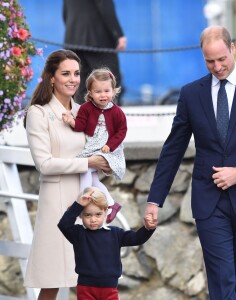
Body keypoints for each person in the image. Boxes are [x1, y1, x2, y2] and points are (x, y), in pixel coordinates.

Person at [143, 25, 236, 300]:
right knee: (222, 283)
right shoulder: (191, 94)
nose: (217, 66)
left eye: (222, 58)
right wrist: (154, 200)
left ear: (232, 48)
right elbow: (173, 149)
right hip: (209, 202)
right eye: (209, 61)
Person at [23, 49, 115, 300]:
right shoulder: (38, 113)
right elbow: (44, 164)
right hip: (57, 204)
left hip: (86, 202)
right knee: (52, 279)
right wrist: (87, 163)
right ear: (52, 77)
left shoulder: (86, 111)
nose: (73, 79)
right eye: (65, 73)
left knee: (91, 279)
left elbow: (97, 150)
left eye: (76, 73)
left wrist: (105, 163)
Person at [58, 186, 156, 300]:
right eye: (87, 215)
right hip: (85, 288)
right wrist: (78, 205)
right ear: (81, 215)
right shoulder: (78, 234)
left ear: (105, 212)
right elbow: (63, 225)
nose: (93, 219)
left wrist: (148, 228)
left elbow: (137, 238)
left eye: (98, 214)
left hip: (110, 289)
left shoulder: (116, 234)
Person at [62, 68, 127, 223]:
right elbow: (81, 125)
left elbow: (122, 131)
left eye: (107, 91)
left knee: (85, 169)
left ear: (113, 91)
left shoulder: (117, 112)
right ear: (90, 93)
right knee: (91, 177)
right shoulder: (86, 108)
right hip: (92, 146)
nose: (103, 95)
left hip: (109, 149)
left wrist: (110, 145)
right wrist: (71, 121)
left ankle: (80, 202)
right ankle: (111, 204)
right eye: (98, 91)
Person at [63, 0, 127, 106]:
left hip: (73, 39)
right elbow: (106, 8)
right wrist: (118, 34)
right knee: (109, 81)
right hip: (98, 40)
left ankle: (81, 119)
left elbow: (65, 13)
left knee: (80, 86)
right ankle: (107, 120)